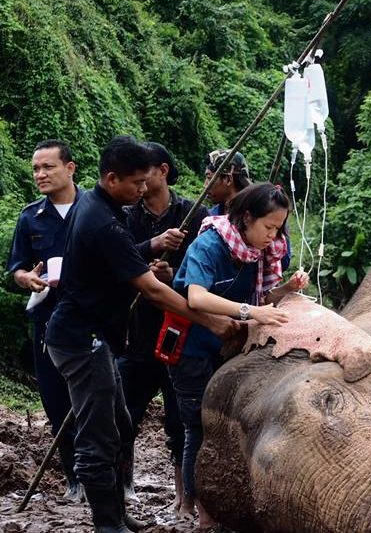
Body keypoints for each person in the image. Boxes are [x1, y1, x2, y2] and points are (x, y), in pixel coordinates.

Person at [44, 136, 240, 533]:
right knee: (98, 435)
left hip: (94, 336)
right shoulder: (103, 222)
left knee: (116, 423)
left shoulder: (98, 205)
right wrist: (210, 319)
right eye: (136, 183)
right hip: (82, 340)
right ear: (112, 178)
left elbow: (124, 255)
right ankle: (107, 524)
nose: (142, 190)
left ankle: (116, 514)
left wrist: (150, 245)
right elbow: (151, 289)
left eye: (146, 181)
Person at [169, 182, 308, 528]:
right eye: (268, 227)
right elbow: (197, 297)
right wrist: (251, 312)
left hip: (229, 346)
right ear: (246, 218)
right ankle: (201, 513)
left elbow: (262, 296)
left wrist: (288, 289)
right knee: (198, 428)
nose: (272, 236)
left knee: (229, 426)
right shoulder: (210, 244)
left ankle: (225, 505)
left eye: (278, 229)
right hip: (192, 347)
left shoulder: (259, 251)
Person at [117, 142, 208, 507]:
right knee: (124, 413)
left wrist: (174, 275)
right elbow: (117, 259)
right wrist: (149, 250)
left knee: (180, 419)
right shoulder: (126, 216)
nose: (140, 181)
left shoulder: (194, 215)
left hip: (179, 331)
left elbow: (205, 274)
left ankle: (184, 495)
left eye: (146, 172)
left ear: (164, 171)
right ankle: (122, 489)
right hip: (135, 330)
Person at [7, 139, 83, 501]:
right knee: (56, 402)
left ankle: (106, 479)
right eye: (36, 168)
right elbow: (15, 269)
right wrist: (25, 278)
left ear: (70, 168)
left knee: (99, 403)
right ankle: (74, 480)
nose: (40, 174)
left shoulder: (97, 210)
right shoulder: (30, 217)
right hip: (48, 322)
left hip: (92, 322)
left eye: (48, 167)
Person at [202, 149, 250, 216]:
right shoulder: (210, 217)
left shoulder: (253, 216)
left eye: (209, 178)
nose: (205, 185)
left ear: (228, 180)